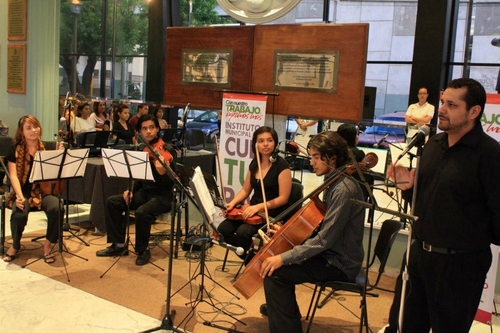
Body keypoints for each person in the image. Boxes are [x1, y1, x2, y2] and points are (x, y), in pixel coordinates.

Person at [384, 78, 500, 333]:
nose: (442, 109)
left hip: (460, 265)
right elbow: (424, 201)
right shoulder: (433, 146)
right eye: (442, 102)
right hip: (419, 255)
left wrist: (467, 238)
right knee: (402, 325)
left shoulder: (490, 155)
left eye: (451, 104)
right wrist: (409, 188)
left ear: (474, 112)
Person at [259, 131, 365, 333]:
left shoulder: (343, 189)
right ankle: (284, 311)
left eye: (316, 157)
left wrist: (283, 257)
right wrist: (289, 233)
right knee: (279, 267)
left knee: (276, 272)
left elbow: (324, 240)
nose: (311, 162)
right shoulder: (334, 181)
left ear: (333, 158)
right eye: (311, 157)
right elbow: (323, 229)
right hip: (331, 253)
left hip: (340, 263)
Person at [96, 114, 177, 265]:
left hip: (163, 195)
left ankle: (142, 249)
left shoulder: (168, 149)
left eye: (152, 128)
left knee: (142, 212)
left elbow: (174, 183)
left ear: (158, 129)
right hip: (145, 192)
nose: (149, 132)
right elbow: (139, 177)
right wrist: (131, 190)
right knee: (112, 202)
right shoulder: (142, 150)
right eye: (144, 128)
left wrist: (163, 172)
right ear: (140, 131)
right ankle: (119, 245)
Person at [217, 126, 292, 259]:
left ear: (275, 142)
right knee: (223, 230)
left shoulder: (282, 166)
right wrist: (232, 203)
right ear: (255, 144)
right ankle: (248, 255)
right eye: (261, 141)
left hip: (270, 213)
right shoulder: (255, 163)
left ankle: (252, 260)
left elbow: (283, 198)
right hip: (251, 211)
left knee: (242, 232)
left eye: (269, 140)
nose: (265, 144)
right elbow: (246, 189)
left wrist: (258, 206)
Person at [3, 115, 64, 263]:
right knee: (19, 213)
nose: (33, 130)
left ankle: (48, 245)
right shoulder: (15, 149)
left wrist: (60, 154)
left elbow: (56, 173)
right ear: (21, 131)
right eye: (28, 128)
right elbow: (13, 176)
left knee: (58, 208)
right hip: (22, 190)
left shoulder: (48, 147)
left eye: (35, 126)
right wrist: (18, 196)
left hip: (43, 191)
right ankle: (15, 246)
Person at [337, 123, 374, 201]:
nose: (358, 137)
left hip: (335, 188)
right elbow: (364, 174)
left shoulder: (335, 152)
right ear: (352, 137)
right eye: (357, 134)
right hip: (356, 193)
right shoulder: (359, 153)